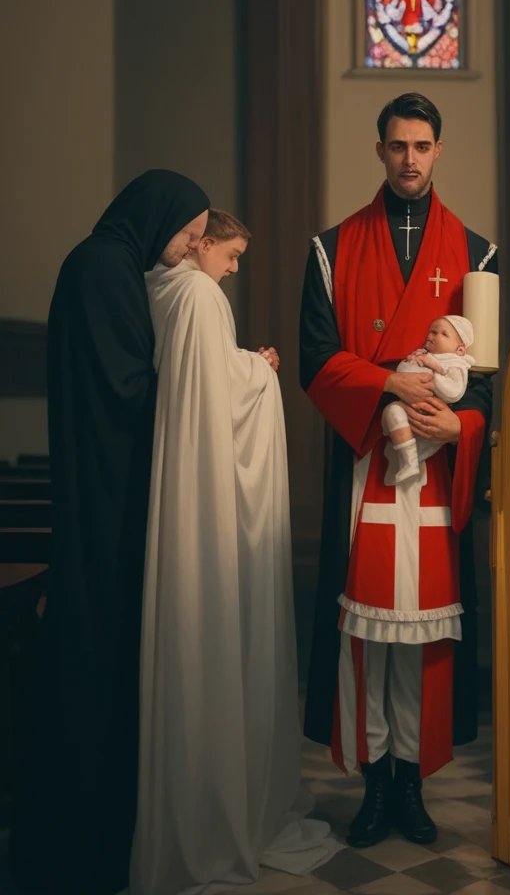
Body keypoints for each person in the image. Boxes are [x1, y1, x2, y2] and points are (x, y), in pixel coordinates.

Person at [299, 93, 497, 849]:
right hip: (365, 465)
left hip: (437, 469)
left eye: (422, 145)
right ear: (379, 150)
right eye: (396, 146)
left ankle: (411, 782)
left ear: (439, 150)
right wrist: (389, 383)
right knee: (370, 635)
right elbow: (315, 356)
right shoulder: (332, 247)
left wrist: (462, 421)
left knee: (423, 637)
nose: (409, 158)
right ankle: (374, 781)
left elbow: (485, 374)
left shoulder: (477, 251)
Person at [11, 170, 210, 895]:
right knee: (95, 662)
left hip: (106, 488)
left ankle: (100, 836)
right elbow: (126, 389)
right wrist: (197, 387)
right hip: (105, 500)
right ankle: (81, 848)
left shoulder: (110, 264)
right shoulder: (101, 267)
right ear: (154, 215)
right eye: (186, 237)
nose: (187, 252)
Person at [131, 208, 339, 895]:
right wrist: (260, 367)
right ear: (206, 242)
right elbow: (215, 394)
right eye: (232, 254)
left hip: (174, 475)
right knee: (217, 627)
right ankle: (220, 814)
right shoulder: (197, 293)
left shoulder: (158, 287)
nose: (234, 267)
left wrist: (238, 367)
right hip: (205, 492)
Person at [382, 314, 475, 482]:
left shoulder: (455, 365)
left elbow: (453, 392)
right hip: (410, 406)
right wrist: (410, 363)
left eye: (443, 334)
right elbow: (401, 371)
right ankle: (408, 461)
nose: (434, 336)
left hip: (431, 415)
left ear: (459, 349)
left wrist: (434, 369)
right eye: (432, 331)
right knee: (392, 411)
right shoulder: (422, 354)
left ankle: (413, 459)